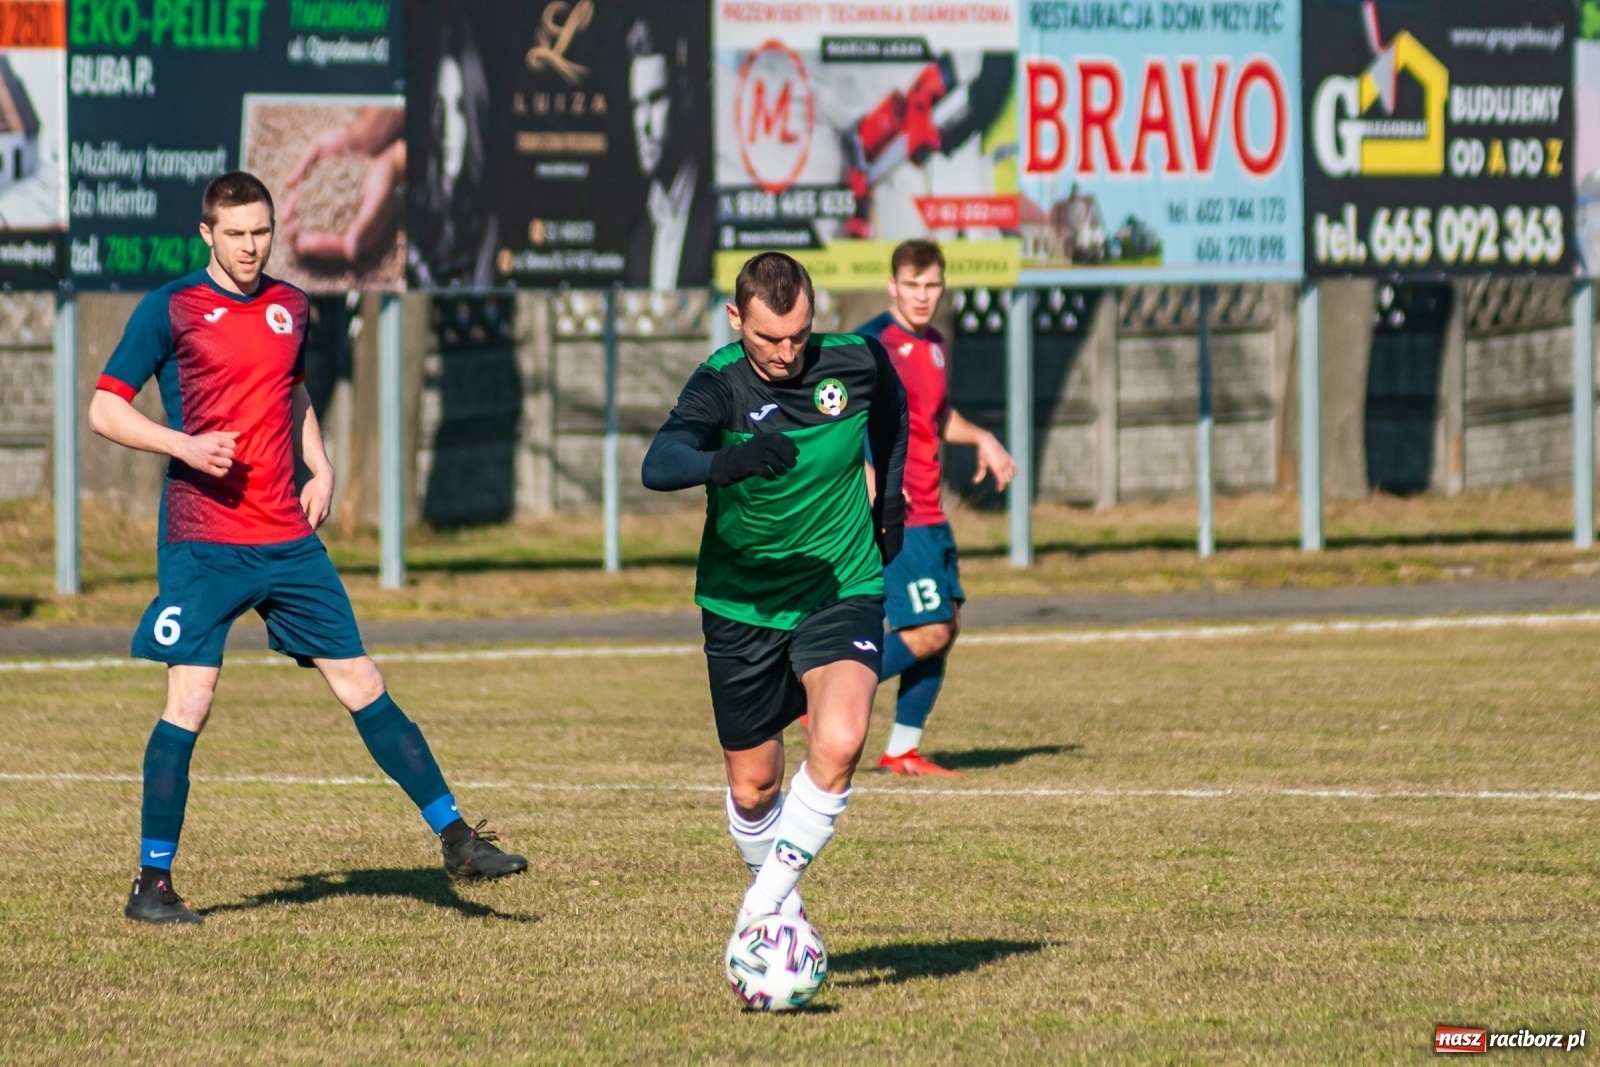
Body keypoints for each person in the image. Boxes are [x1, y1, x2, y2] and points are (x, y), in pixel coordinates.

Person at [88, 172, 526, 926]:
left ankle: (456, 839)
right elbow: (104, 408)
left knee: (362, 681)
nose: (251, 245)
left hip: (287, 536)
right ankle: (151, 884)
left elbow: (288, 393)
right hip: (205, 540)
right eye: (235, 233)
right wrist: (184, 445)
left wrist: (319, 465)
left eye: (260, 231)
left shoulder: (292, 306)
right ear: (207, 235)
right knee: (191, 700)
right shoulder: (172, 308)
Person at [641, 251, 907, 929]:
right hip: (742, 602)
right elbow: (659, 462)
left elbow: (893, 411)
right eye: (768, 338)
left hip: (839, 583)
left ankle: (759, 912)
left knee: (842, 738)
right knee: (754, 786)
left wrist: (890, 500)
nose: (787, 352)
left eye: (798, 334)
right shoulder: (720, 383)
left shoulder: (857, 360)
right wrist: (731, 460)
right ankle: (781, 902)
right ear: (736, 319)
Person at [856, 239, 1017, 777]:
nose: (922, 296)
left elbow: (935, 415)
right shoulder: (871, 344)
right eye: (912, 284)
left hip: (932, 509)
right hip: (897, 514)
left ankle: (902, 750)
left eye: (932, 286)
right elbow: (836, 415)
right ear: (892, 285)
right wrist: (867, 472)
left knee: (944, 625)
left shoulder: (936, 346)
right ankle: (816, 696)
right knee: (929, 630)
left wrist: (984, 439)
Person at [623, 15, 713, 290]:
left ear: (683, 100)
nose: (644, 124)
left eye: (655, 100)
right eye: (637, 105)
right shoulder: (637, 241)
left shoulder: (718, 217)